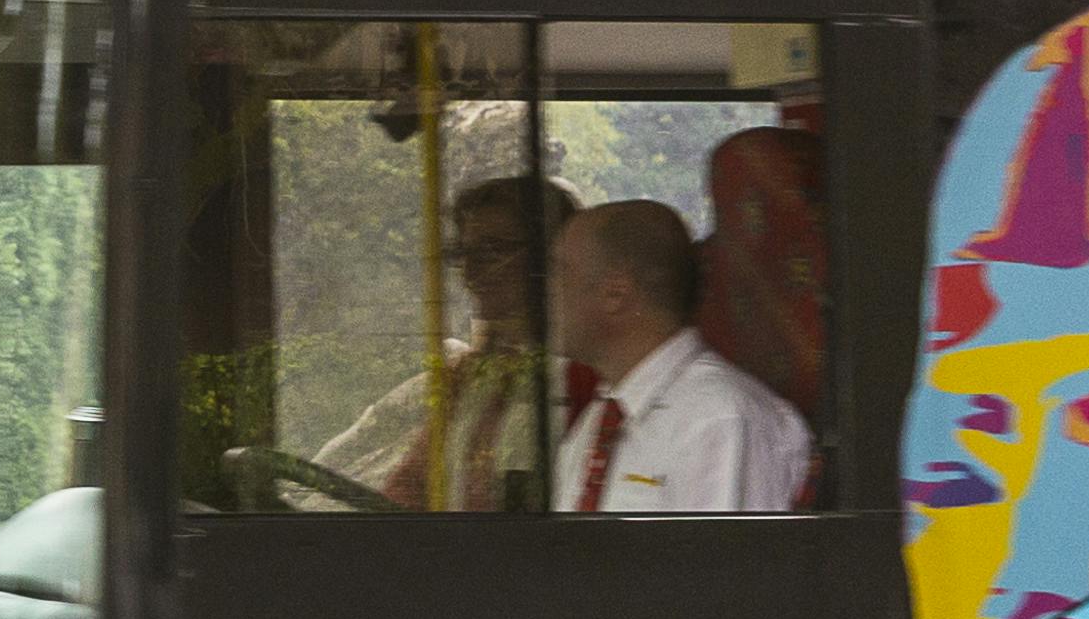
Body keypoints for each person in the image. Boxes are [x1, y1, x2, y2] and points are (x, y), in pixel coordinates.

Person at [308, 180, 577, 509]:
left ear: (549, 257)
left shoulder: (580, 378)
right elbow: (412, 482)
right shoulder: (467, 377)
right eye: (462, 253)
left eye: (492, 250)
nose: (471, 269)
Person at [543, 197, 808, 513]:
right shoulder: (601, 416)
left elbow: (729, 560)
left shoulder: (720, 418)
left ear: (615, 294)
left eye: (559, 273)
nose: (544, 292)